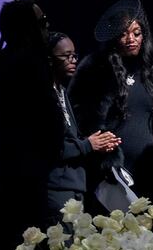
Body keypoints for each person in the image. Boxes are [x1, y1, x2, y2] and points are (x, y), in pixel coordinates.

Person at [69, 0, 153, 207]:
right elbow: (82, 114)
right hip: (110, 172)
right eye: (124, 34)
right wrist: (103, 156)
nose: (131, 39)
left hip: (146, 170)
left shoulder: (151, 69)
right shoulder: (96, 69)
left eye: (137, 33)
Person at [0, 0, 61, 250]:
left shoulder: (0, 62)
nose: (47, 29)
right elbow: (45, 119)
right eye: (42, 23)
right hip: (25, 172)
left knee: (4, 243)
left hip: (5, 168)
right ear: (29, 28)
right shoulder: (30, 62)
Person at [45, 31, 121, 230]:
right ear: (49, 59)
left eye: (74, 56)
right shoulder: (45, 95)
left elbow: (71, 139)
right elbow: (52, 147)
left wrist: (97, 143)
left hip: (74, 186)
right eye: (65, 56)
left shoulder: (61, 90)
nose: (72, 61)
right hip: (56, 189)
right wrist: (88, 145)